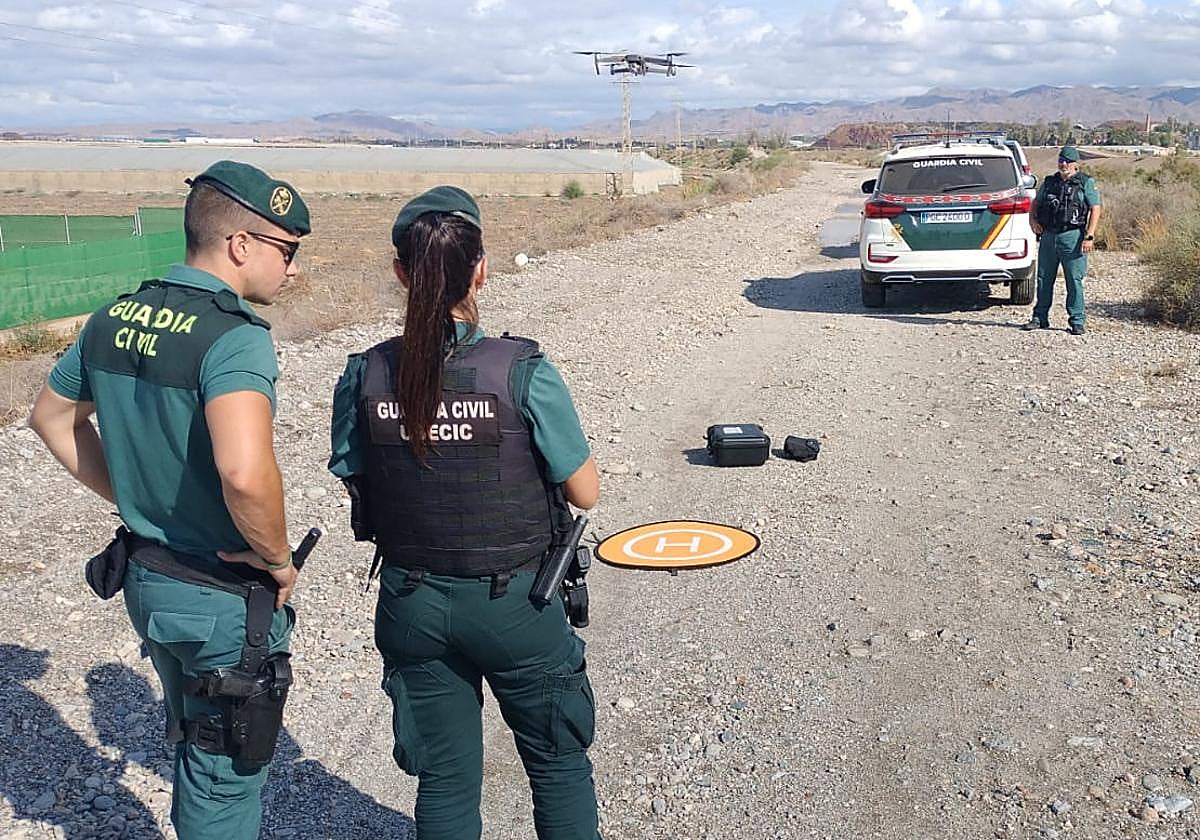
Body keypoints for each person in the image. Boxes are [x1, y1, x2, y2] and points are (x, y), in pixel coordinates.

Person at [29, 160, 311, 840]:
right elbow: (244, 472)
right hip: (222, 592)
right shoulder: (233, 336)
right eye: (288, 250)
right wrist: (276, 559)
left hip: (151, 575)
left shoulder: (113, 317)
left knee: (195, 741)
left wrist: (131, 496)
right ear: (240, 245)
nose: (294, 268)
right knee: (225, 775)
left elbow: (51, 416)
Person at [328, 186, 602, 840]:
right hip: (516, 604)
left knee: (446, 779)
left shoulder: (362, 374)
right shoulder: (520, 370)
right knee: (558, 765)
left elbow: (358, 482)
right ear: (480, 268)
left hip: (410, 602)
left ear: (401, 273)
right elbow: (584, 493)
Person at [1023, 145, 1103, 335]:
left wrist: (1089, 236)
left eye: (1067, 161)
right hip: (1049, 236)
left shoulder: (1085, 182)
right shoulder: (1050, 182)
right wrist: (1032, 221)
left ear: (1075, 164)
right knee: (1043, 278)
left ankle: (1077, 320)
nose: (1063, 164)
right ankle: (1039, 317)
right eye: (1061, 160)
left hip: (1073, 237)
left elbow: (1096, 209)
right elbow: (1036, 203)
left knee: (1074, 280)